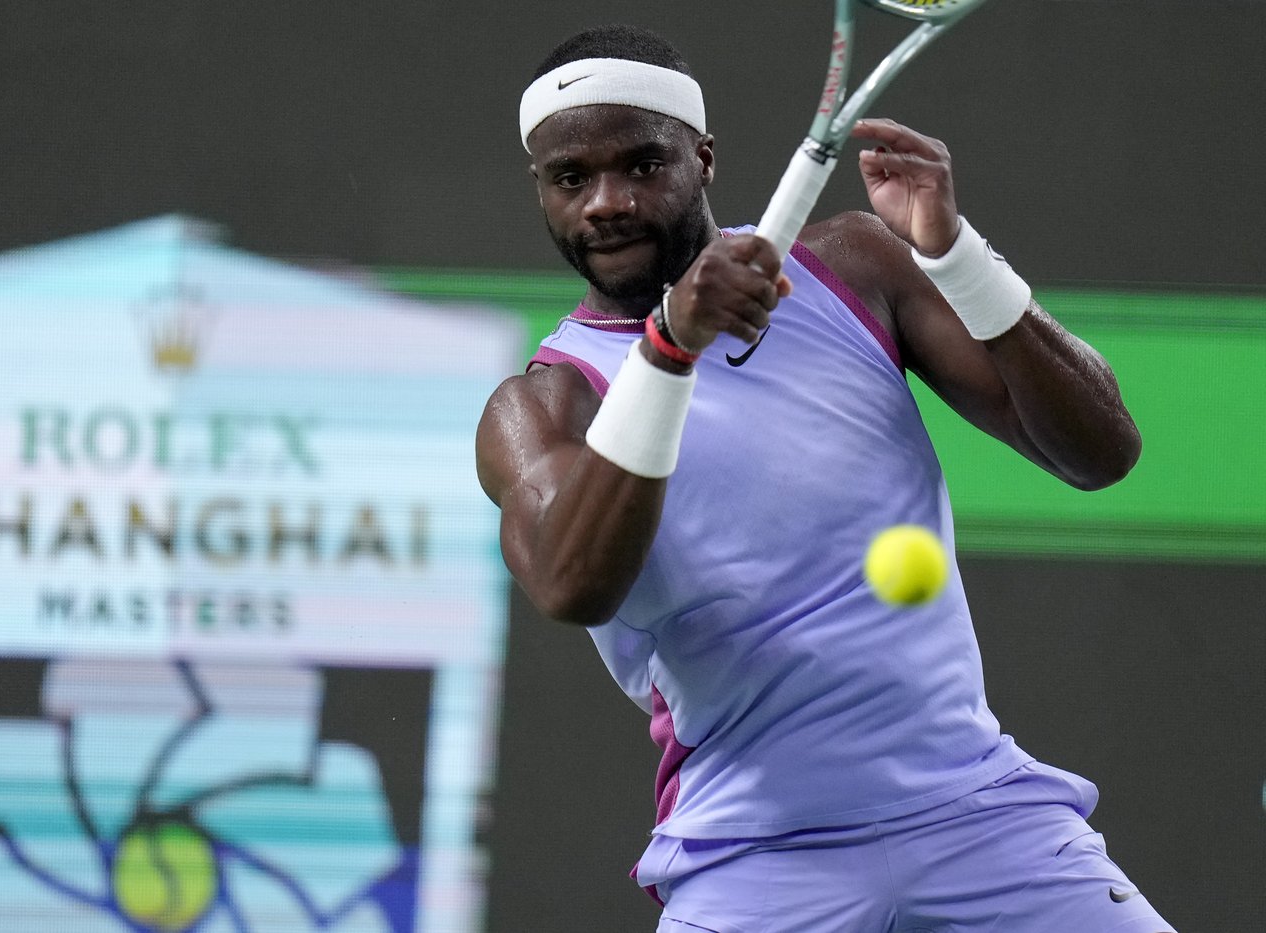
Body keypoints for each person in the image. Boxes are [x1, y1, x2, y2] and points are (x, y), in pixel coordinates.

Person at [476, 23, 1174, 933]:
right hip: (752, 859)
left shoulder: (855, 269)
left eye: (643, 165)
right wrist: (669, 347)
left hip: (982, 817)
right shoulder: (542, 406)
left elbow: (1102, 450)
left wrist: (956, 254)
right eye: (573, 179)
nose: (606, 201)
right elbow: (572, 582)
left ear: (704, 159)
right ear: (543, 190)